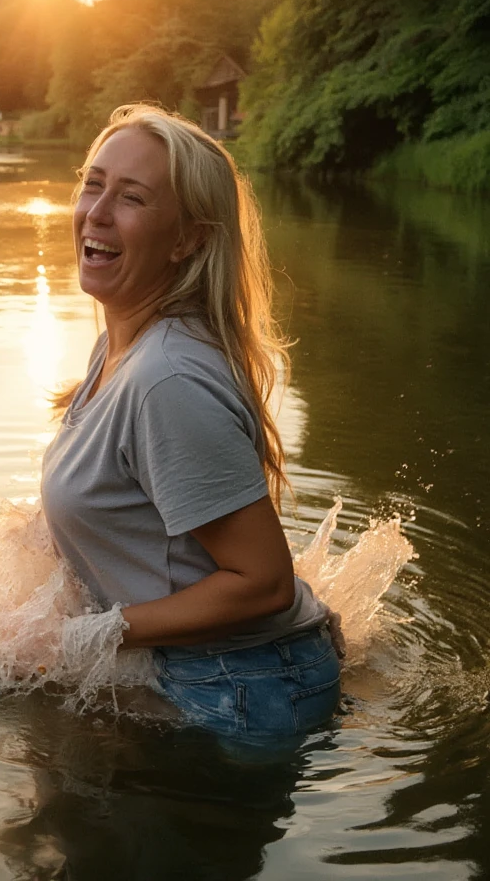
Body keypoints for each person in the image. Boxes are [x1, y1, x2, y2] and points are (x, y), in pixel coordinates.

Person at [40, 103, 341, 741]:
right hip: (221, 673)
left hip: (233, 690)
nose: (95, 213)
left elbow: (263, 584)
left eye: (131, 198)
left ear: (188, 239)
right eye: (93, 184)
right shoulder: (122, 342)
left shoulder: (165, 380)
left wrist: (91, 636)